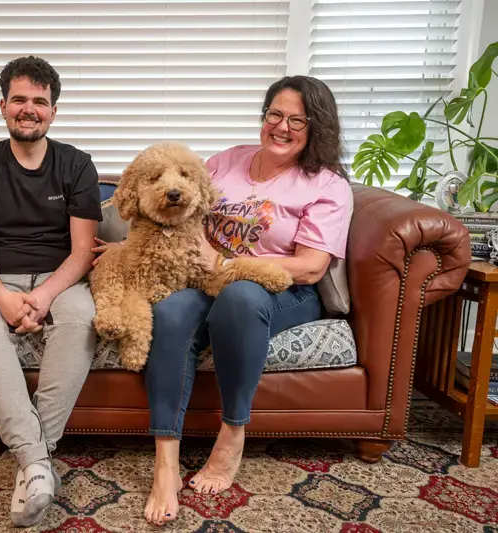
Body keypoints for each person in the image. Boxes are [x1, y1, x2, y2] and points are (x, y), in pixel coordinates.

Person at [93, 75, 353, 526]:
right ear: (264, 116)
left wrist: (227, 262)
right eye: (275, 114)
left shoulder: (326, 185)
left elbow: (311, 266)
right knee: (171, 311)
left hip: (283, 291)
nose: (282, 126)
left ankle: (232, 433)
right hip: (205, 279)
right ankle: (166, 461)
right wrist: (127, 247)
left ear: (316, 128)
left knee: (238, 295)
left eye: (297, 119)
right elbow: (175, 212)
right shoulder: (225, 163)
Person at [0, 56, 101, 527]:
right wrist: (3, 299)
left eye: (40, 102)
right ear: (2, 106)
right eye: (19, 100)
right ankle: (37, 462)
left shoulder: (77, 165)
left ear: (53, 111)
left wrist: (42, 298)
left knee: (82, 317)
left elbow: (83, 252)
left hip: (60, 279)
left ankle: (33, 459)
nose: (29, 109)